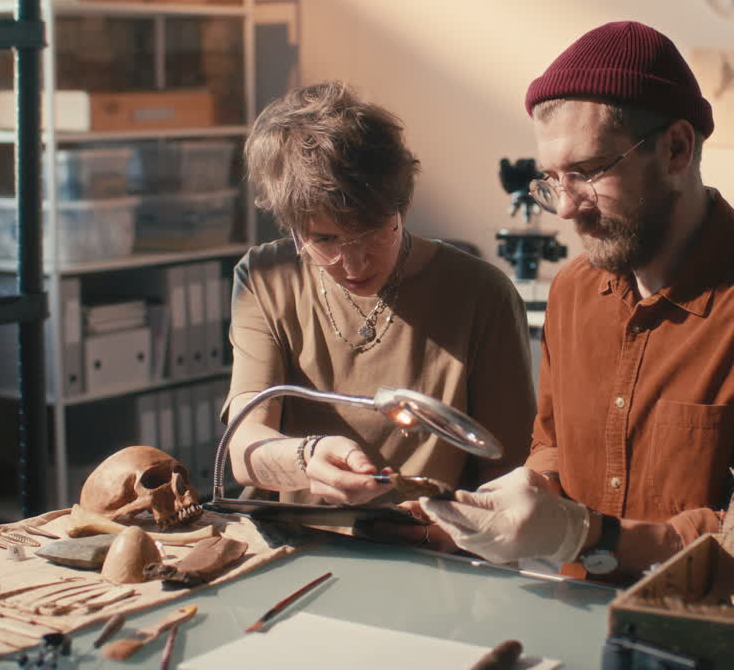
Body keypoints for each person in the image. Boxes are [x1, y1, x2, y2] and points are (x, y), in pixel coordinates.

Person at [420, 21, 734, 580]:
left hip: (697, 632)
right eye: (552, 180)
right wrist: (534, 485)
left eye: (586, 173)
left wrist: (590, 537)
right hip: (570, 599)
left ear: (676, 148)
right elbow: (553, 443)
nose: (567, 209)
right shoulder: (574, 291)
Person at [221, 80, 536, 514]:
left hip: (433, 551)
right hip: (301, 542)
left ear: (401, 206)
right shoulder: (266, 278)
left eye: (372, 234)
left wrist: (448, 529)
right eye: (325, 240)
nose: (354, 265)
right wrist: (308, 459)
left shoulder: (482, 295)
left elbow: (508, 474)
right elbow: (245, 448)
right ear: (292, 227)